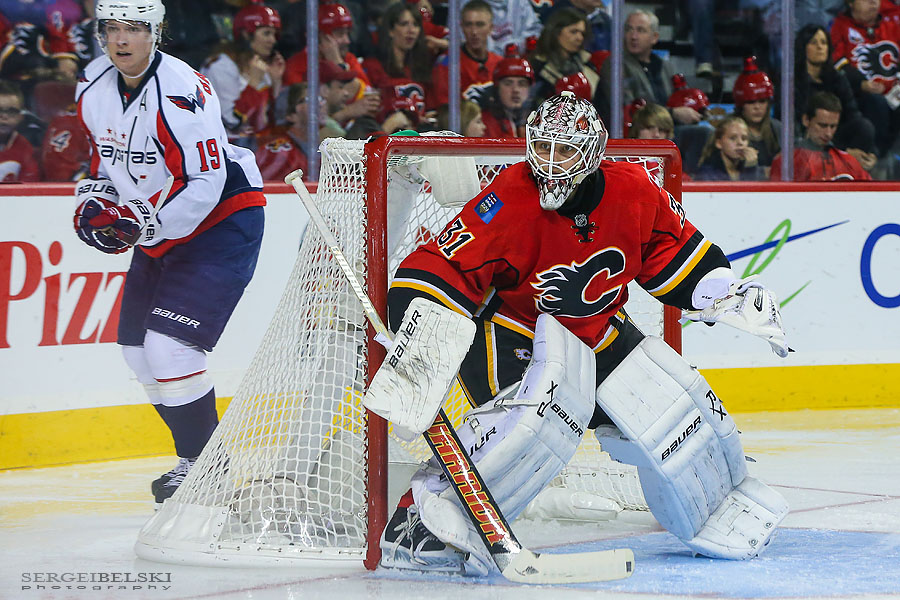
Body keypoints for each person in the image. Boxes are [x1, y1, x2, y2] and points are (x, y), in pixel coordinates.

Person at [373, 91, 789, 575]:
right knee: (531, 429)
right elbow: (448, 260)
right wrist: (415, 313)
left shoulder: (633, 188)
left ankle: (718, 507)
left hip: (599, 328)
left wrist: (721, 292)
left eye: (564, 149)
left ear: (592, 151)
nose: (550, 162)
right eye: (543, 147)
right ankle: (417, 525)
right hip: (516, 332)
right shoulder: (509, 195)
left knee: (679, 407)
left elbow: (669, 248)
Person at [73, 0, 266, 505]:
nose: (122, 39)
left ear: (155, 33)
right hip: (159, 225)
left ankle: (208, 471)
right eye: (112, 28)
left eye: (134, 28)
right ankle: (197, 460)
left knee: (170, 348)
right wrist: (95, 201)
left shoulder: (179, 88)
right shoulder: (93, 83)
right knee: (137, 352)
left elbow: (206, 179)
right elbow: (105, 155)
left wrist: (138, 221)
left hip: (222, 218)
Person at [794, 24, 877, 170]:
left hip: (834, 134)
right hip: (806, 138)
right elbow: (796, 124)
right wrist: (844, 151)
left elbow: (853, 116)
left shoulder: (837, 78)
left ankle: (861, 166)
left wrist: (872, 153)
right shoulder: (793, 81)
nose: (820, 47)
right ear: (803, 47)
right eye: (814, 42)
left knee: (864, 126)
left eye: (824, 42)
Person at [201, 3, 285, 146]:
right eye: (266, 33)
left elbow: (272, 121)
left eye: (274, 34)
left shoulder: (260, 64)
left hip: (256, 143)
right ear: (246, 34)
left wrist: (276, 82)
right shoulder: (220, 66)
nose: (273, 40)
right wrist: (253, 85)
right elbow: (232, 122)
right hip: (227, 146)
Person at [831, 0, 900, 157]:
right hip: (860, 94)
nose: (873, 2)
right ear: (851, 3)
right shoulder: (840, 25)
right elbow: (837, 61)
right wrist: (860, 83)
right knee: (876, 103)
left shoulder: (893, 23)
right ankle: (875, 157)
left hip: (894, 92)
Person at [770, 91, 872, 181]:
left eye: (833, 126)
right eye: (822, 125)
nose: (828, 133)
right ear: (806, 120)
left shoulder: (849, 162)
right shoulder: (786, 162)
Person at [363, 2, 433, 120]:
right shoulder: (373, 67)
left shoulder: (422, 66)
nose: (411, 30)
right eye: (404, 24)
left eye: (415, 25)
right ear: (390, 30)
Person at [430, 0, 502, 109]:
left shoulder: (499, 63)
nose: (474, 32)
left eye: (480, 25)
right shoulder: (447, 64)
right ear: (461, 26)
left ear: (491, 28)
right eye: (469, 25)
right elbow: (445, 109)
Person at [526, 8, 603, 106]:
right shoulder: (536, 67)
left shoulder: (589, 65)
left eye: (582, 33)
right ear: (556, 33)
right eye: (573, 32)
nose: (580, 38)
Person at [733, 57, 780, 176]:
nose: (757, 107)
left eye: (762, 101)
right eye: (751, 102)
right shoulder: (730, 131)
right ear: (741, 105)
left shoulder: (778, 129)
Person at [694, 116, 764, 181]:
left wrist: (751, 167)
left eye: (744, 138)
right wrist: (750, 171)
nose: (740, 143)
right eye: (733, 138)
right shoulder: (707, 173)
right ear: (719, 143)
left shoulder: (753, 167)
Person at [480, 56, 534, 138]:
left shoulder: (540, 121)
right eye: (508, 83)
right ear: (497, 88)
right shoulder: (483, 123)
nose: (515, 90)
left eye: (522, 84)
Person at [0, 81, 40, 183]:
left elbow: (29, 188)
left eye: (11, 111)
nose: (4, 117)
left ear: (20, 116)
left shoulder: (24, 148)